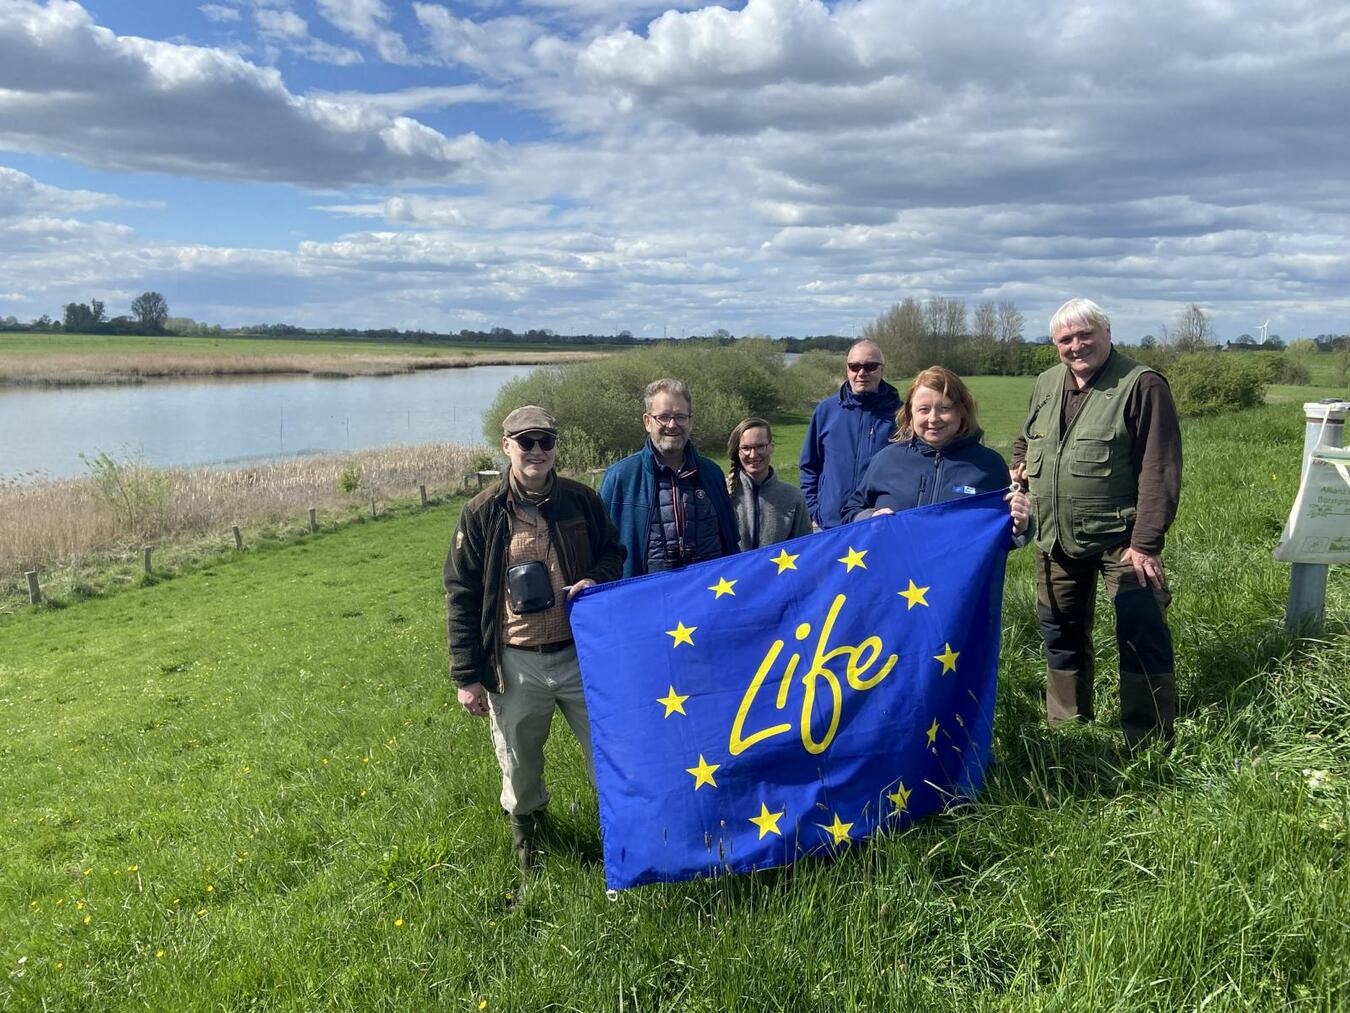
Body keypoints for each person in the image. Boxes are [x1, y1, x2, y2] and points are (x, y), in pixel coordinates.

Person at [444, 405, 626, 876]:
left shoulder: (582, 501)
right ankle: (530, 842)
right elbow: (461, 593)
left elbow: (614, 552)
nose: (537, 451)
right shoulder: (481, 512)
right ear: (506, 446)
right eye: (526, 442)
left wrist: (595, 578)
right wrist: (467, 677)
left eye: (546, 441)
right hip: (515, 661)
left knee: (611, 753)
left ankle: (626, 837)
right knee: (519, 765)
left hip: (581, 655)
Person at [1011, 298, 1182, 753]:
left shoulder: (1142, 384)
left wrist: (1146, 543)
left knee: (1141, 631)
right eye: (1065, 339)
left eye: (1085, 334)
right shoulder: (1046, 383)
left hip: (1123, 541)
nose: (1076, 345)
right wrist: (1019, 468)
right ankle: (1068, 732)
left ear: (1107, 333)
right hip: (1055, 538)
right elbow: (1026, 438)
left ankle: (1147, 740)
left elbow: (1160, 467)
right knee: (1059, 632)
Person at [841, 366, 1029, 538]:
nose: (933, 418)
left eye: (944, 408)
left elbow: (1003, 532)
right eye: (923, 409)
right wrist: (869, 517)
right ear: (910, 414)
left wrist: (1021, 527)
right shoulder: (886, 459)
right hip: (893, 564)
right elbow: (851, 511)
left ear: (961, 412)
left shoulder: (989, 465)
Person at [600, 378, 739, 578]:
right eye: (663, 417)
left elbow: (731, 542)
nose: (672, 425)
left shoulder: (712, 474)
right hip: (648, 593)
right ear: (647, 422)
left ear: (690, 422)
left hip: (709, 588)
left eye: (680, 417)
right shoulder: (620, 478)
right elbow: (601, 549)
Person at [799, 340, 902, 530]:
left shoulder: (900, 415)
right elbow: (810, 467)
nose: (861, 373)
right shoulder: (826, 410)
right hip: (828, 526)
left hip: (876, 525)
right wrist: (814, 511)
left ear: (882, 370)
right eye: (854, 367)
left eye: (870, 367)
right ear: (847, 370)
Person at [726, 417, 811, 551]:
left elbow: (804, 548)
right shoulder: (722, 492)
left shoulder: (793, 497)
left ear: (771, 446)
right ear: (737, 451)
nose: (753, 455)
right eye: (746, 448)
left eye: (760, 446)